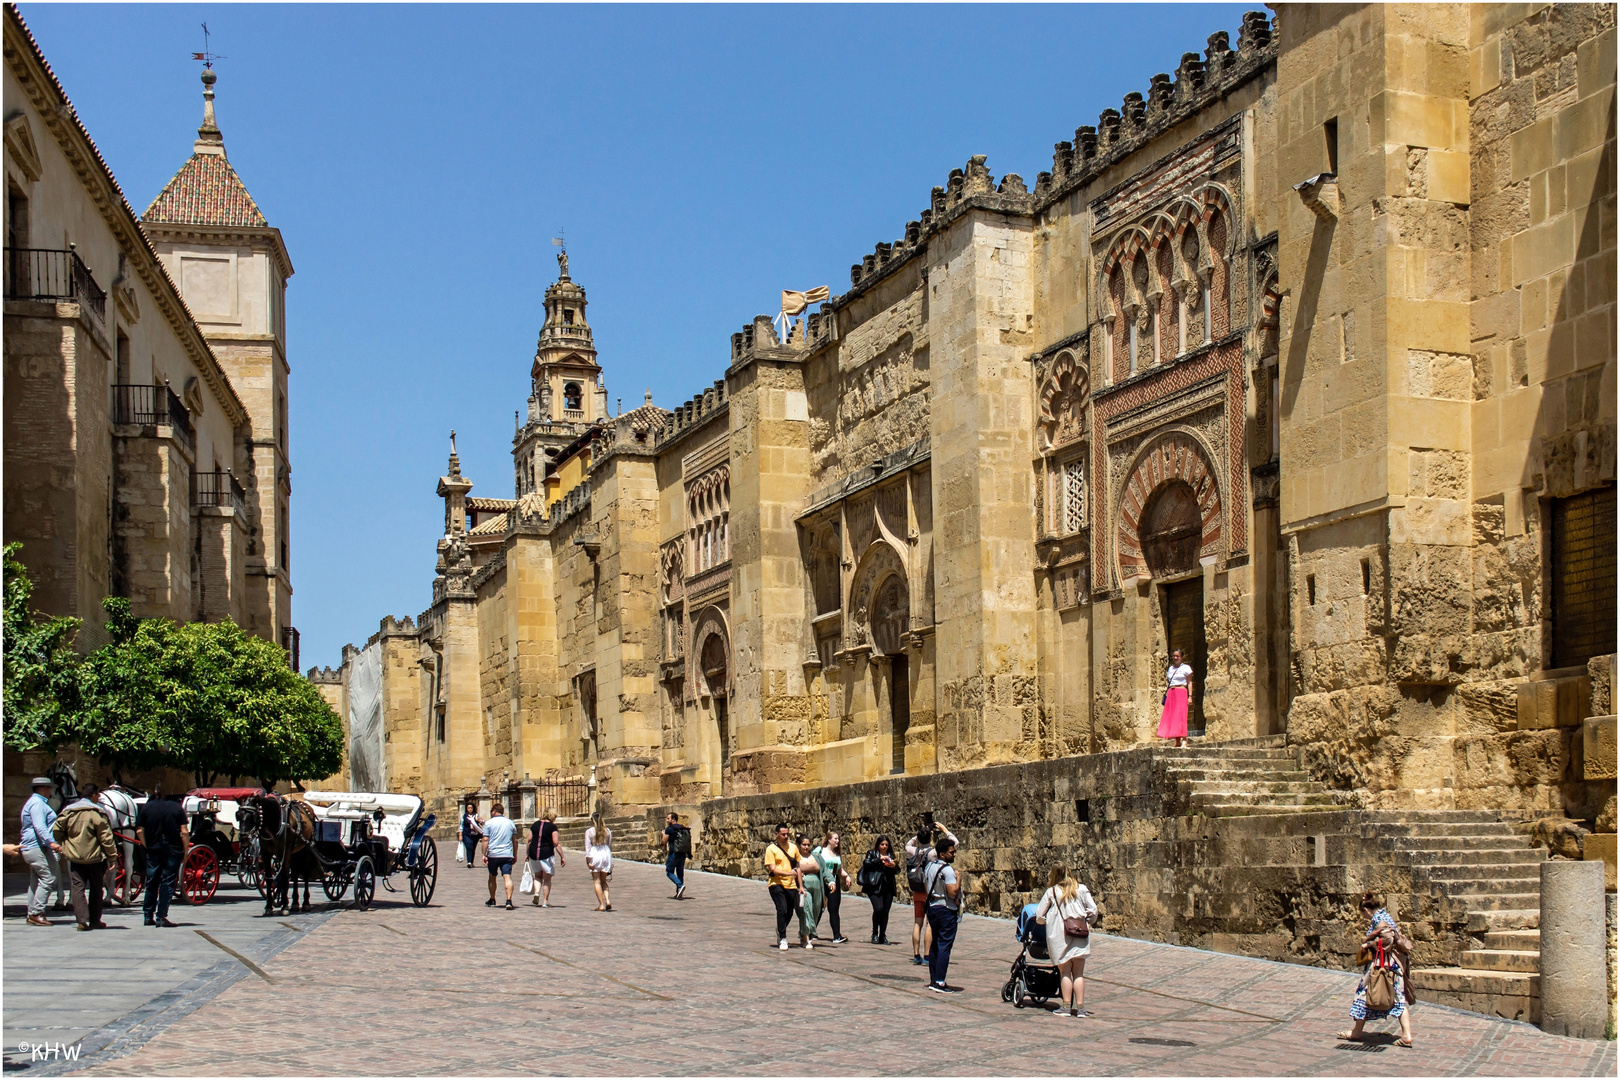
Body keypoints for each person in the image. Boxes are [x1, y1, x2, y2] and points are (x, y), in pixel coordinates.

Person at [1338, 892, 1415, 1048]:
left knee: (1364, 993)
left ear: (1367, 910)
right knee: (1397, 998)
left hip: (1383, 965)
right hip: (1392, 965)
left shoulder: (1380, 920)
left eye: (1362, 913)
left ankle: (1357, 1032)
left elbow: (1387, 939)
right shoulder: (1383, 916)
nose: (1363, 916)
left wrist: (1368, 945)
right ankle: (1405, 1034)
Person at [1034, 865, 1099, 1017]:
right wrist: (1087, 920)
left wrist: (1047, 921)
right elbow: (1093, 909)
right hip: (1079, 934)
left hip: (1060, 935)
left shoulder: (1052, 891)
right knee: (1078, 973)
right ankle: (1081, 1008)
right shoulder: (1081, 889)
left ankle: (1066, 1007)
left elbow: (1039, 915)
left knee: (1065, 973)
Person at [52, 782, 117, 932]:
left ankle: (81, 920)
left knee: (77, 888)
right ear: (93, 795)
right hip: (95, 858)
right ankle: (95, 921)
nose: (99, 797)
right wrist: (112, 857)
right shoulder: (98, 812)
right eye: (98, 794)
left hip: (75, 857)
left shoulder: (68, 811)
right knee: (96, 888)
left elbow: (57, 830)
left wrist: (65, 843)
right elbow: (106, 838)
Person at [906, 818, 958, 965]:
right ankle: (927, 954)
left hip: (916, 891)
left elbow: (908, 843)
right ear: (930, 838)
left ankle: (916, 954)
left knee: (917, 923)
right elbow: (953, 843)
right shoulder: (933, 853)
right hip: (929, 891)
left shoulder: (912, 851)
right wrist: (945, 831)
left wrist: (922, 832)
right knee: (929, 924)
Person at [136, 792, 189, 927]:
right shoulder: (177, 807)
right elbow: (184, 831)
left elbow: (139, 831)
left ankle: (148, 916)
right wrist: (185, 851)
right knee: (167, 882)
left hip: (153, 848)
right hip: (173, 849)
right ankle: (161, 916)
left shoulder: (147, 808)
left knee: (152, 881)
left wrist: (146, 845)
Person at [20, 777, 63, 926]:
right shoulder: (37, 804)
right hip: (36, 847)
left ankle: (32, 912)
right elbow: (40, 826)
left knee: (35, 881)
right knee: (49, 878)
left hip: (35, 847)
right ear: (43, 788)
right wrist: (51, 842)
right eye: (49, 788)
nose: (50, 791)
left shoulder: (35, 802)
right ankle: (36, 912)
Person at [923, 835, 963, 993]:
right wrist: (958, 879)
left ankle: (934, 978)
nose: (954, 855)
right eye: (951, 852)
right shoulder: (947, 870)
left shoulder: (929, 867)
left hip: (932, 907)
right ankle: (940, 981)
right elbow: (952, 892)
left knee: (934, 945)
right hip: (946, 909)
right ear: (942, 854)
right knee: (944, 945)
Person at [764, 822, 803, 950]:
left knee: (790, 911)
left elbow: (798, 867)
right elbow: (773, 869)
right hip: (776, 883)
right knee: (782, 909)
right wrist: (787, 873)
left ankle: (780, 928)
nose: (786, 837)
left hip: (791, 885)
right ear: (776, 834)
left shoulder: (793, 848)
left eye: (787, 834)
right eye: (783, 834)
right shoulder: (771, 849)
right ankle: (783, 937)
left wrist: (801, 886)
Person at [813, 831, 854, 944]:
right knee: (818, 907)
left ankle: (837, 935)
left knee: (834, 908)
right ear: (829, 839)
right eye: (835, 839)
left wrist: (846, 876)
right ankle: (810, 931)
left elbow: (838, 869)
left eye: (838, 839)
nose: (837, 841)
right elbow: (811, 861)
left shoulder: (836, 853)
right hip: (821, 880)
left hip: (834, 881)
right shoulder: (820, 851)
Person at [859, 834, 900, 944]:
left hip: (888, 886)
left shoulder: (891, 855)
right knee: (878, 908)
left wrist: (893, 866)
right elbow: (866, 864)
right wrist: (878, 859)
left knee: (885, 911)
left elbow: (897, 870)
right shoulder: (872, 853)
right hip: (874, 885)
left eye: (886, 845)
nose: (884, 847)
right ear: (878, 845)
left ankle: (882, 934)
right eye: (882, 844)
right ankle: (875, 933)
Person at [481, 802, 518, 910]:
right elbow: (514, 840)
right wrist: (514, 854)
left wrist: (483, 854)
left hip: (493, 854)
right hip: (507, 854)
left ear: (493, 811)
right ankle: (509, 900)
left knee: (492, 877)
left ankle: (492, 899)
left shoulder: (489, 823)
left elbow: (485, 839)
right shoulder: (510, 823)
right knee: (507, 877)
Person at [526, 807, 563, 907]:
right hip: (546, 854)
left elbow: (529, 840)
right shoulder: (552, 827)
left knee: (538, 876)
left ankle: (537, 893)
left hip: (534, 853)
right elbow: (556, 843)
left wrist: (527, 854)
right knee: (547, 878)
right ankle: (545, 901)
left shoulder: (535, 824)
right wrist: (562, 856)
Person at [1158, 648, 1193, 748]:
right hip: (1171, 693)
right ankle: (1177, 741)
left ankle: (1184, 740)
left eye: (1177, 656)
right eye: (1174, 656)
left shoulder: (1186, 668)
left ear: (1181, 657)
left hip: (1181, 692)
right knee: (1173, 717)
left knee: (1181, 716)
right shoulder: (1171, 669)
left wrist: (1190, 696)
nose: (1175, 657)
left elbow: (1190, 682)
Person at [796, 834, 824, 944]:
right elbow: (792, 869)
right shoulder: (795, 857)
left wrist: (831, 882)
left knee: (816, 910)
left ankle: (806, 932)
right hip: (804, 886)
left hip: (817, 885)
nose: (806, 847)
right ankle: (806, 936)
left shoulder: (816, 856)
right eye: (804, 845)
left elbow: (824, 870)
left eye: (808, 845)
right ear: (799, 845)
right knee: (806, 909)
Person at [584, 812, 613, 911]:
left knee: (597, 881)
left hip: (595, 853)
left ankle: (601, 904)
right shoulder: (607, 831)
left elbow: (588, 847)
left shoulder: (589, 831)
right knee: (604, 880)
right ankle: (608, 900)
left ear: (592, 820)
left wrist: (588, 860)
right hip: (606, 853)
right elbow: (609, 844)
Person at [660, 811, 692, 899]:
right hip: (683, 853)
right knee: (680, 873)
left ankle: (680, 885)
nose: (667, 820)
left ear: (673, 819)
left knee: (669, 871)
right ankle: (679, 893)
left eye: (668, 818)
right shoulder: (682, 827)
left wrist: (663, 834)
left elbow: (664, 842)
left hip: (673, 853)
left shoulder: (669, 829)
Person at [461, 801, 484, 870]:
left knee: (473, 848)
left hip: (475, 834)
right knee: (469, 846)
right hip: (466, 834)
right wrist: (460, 835)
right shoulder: (464, 816)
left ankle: (471, 861)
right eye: (468, 808)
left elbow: (483, 823)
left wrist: (478, 821)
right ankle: (469, 862)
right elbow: (461, 825)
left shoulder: (476, 815)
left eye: (471, 808)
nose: (470, 809)